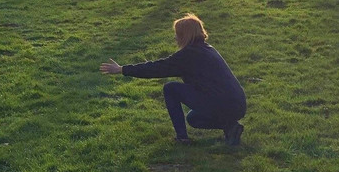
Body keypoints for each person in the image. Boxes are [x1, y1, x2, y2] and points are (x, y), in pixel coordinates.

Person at [99, 13, 246, 145]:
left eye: (177, 34)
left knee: (171, 89)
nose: (175, 38)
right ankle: (231, 127)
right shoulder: (208, 49)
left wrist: (122, 69)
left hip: (223, 103)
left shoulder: (188, 55)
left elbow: (156, 68)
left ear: (184, 35)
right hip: (238, 105)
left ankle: (182, 138)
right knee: (194, 118)